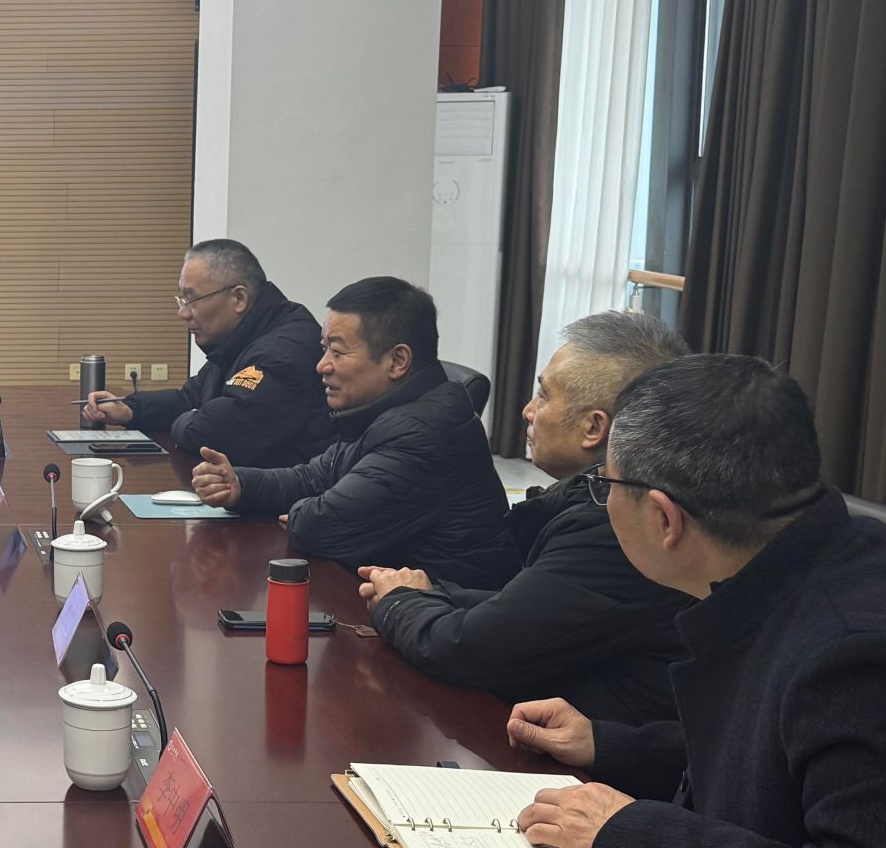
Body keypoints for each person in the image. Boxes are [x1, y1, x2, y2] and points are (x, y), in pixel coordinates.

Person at [507, 355, 886, 848]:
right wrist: (612, 745)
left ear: (664, 519)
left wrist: (630, 835)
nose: (602, 500)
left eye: (605, 485)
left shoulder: (848, 653)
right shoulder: (811, 560)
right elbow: (778, 754)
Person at [357, 311, 693, 722]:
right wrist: (430, 593)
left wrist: (400, 602)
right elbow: (529, 606)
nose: (527, 410)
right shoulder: (594, 491)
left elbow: (468, 650)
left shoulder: (619, 525)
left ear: (593, 427)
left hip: (595, 752)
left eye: (544, 395)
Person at [190, 276, 519, 589]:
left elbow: (320, 527)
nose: (321, 365)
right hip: (396, 599)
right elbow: (312, 477)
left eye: (337, 352)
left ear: (397, 361)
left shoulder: (422, 434)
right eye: (324, 349)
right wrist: (241, 484)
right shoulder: (381, 411)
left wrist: (303, 511)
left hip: (449, 610)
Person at [81, 240, 331, 465]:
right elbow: (190, 398)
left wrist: (192, 419)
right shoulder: (241, 338)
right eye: (182, 300)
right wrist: (130, 410)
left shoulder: (283, 353)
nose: (183, 313)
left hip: (287, 499)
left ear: (239, 298)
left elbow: (214, 435)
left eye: (192, 299)